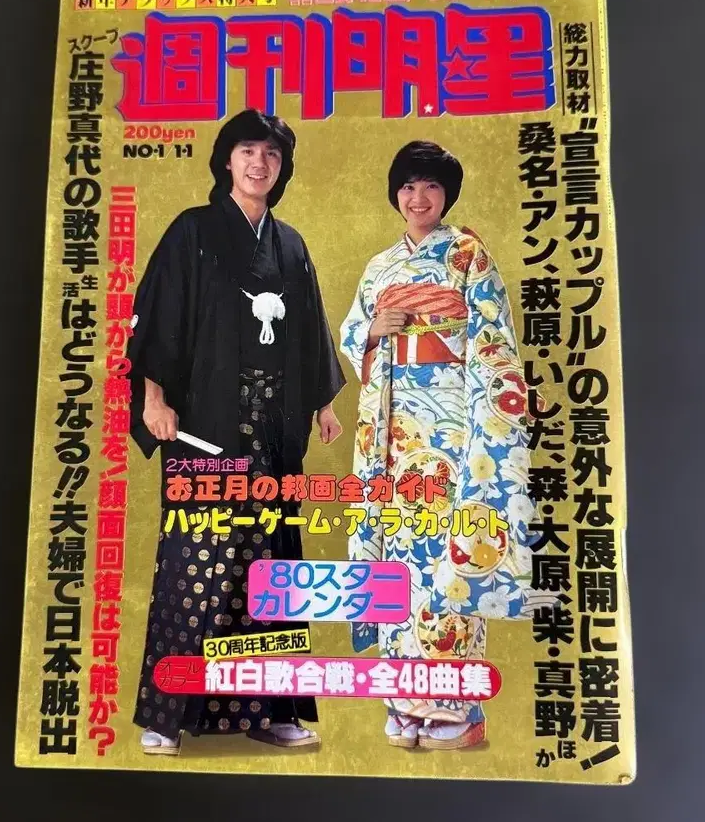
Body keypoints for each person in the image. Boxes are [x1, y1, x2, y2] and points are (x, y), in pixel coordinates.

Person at [128, 108, 345, 755]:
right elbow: (159, 318)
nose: (259, 163)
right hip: (207, 423)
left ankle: (271, 711)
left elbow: (309, 332)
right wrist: (154, 398)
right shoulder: (192, 231)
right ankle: (167, 715)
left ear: (282, 168)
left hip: (272, 428)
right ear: (227, 159)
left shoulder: (291, 245)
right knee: (197, 559)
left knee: (270, 566)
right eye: (248, 151)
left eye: (272, 155)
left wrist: (321, 404)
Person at [340, 141, 549, 751]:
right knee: (397, 557)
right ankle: (404, 705)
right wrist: (372, 331)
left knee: (448, 557)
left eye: (430, 186)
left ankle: (454, 709)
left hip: (453, 425)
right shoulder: (380, 266)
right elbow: (353, 334)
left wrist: (497, 409)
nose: (418, 198)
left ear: (447, 194)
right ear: (396, 194)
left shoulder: (467, 255)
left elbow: (493, 337)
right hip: (391, 427)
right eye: (408, 186)